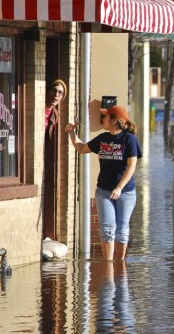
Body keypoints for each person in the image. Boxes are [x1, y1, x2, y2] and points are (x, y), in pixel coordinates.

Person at [65, 105, 142, 260]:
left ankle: (120, 264)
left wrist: (119, 188)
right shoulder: (103, 138)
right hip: (104, 191)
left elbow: (131, 166)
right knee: (107, 228)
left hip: (126, 192)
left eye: (105, 117)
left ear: (114, 120)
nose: (103, 120)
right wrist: (72, 133)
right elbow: (81, 148)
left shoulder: (129, 139)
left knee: (121, 229)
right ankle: (108, 266)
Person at [44, 79, 67, 240]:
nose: (56, 95)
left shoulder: (55, 115)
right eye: (54, 90)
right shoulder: (37, 108)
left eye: (60, 93)